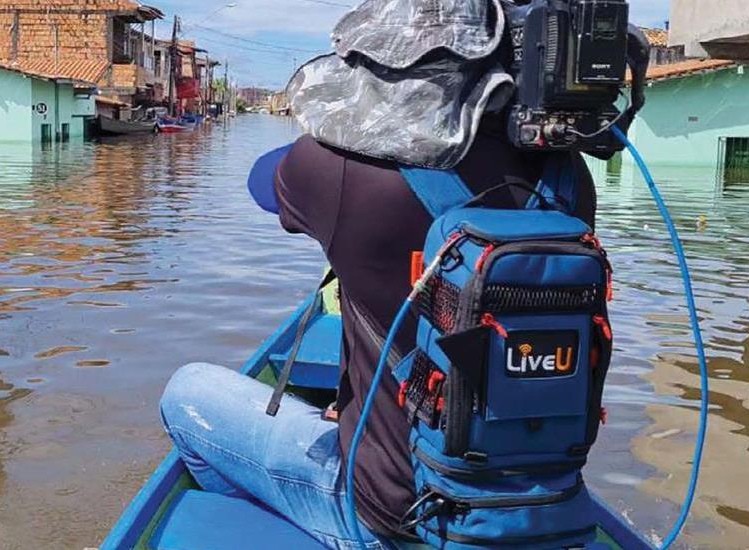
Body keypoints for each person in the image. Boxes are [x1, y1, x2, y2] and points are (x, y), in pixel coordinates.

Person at [159, 122, 597, 549]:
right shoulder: (569, 179)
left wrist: (339, 120)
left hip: (394, 519)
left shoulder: (345, 168)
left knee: (186, 391)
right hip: (543, 514)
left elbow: (262, 182)